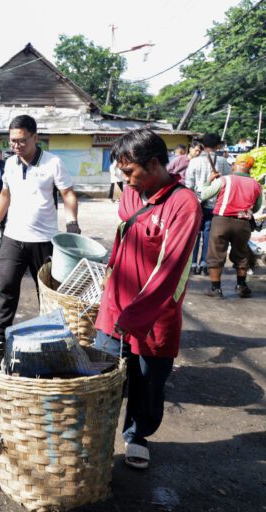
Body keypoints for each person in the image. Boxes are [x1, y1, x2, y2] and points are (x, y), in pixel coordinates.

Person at [94, 128, 201, 470]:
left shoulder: (183, 204)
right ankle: (95, 434)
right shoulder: (130, 192)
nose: (125, 180)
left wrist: (135, 315)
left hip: (154, 313)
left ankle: (137, 435)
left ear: (154, 163)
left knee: (147, 380)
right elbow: (125, 232)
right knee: (101, 374)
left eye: (129, 172)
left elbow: (169, 270)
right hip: (116, 303)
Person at [0, 114, 79, 341]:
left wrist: (72, 222)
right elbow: (5, 194)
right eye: (12, 141)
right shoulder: (9, 163)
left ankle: (52, 336)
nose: (16, 146)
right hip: (13, 238)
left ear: (35, 137)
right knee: (6, 288)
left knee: (48, 292)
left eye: (21, 141)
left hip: (44, 240)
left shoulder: (53, 163)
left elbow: (67, 193)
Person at [201, 154, 262, 298]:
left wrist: (208, 182)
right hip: (243, 224)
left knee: (216, 254)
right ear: (250, 169)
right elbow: (257, 207)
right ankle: (241, 285)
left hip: (221, 221)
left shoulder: (224, 180)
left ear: (234, 165)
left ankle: (216, 289)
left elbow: (204, 195)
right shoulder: (256, 185)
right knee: (242, 255)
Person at [186, 133, 231, 275]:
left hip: (196, 202)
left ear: (202, 146)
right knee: (208, 234)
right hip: (214, 203)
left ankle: (192, 264)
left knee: (195, 234)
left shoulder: (194, 162)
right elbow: (227, 182)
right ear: (218, 146)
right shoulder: (223, 162)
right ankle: (205, 263)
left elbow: (189, 184)